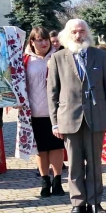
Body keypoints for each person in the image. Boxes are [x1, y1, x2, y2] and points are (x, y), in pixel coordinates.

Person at [47, 19, 106, 213]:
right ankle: (78, 203)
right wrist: (55, 122)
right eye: (74, 32)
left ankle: (95, 203)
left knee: (94, 164)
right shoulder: (58, 58)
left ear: (88, 33)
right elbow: (52, 92)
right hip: (69, 118)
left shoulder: (100, 55)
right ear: (67, 35)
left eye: (82, 31)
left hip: (95, 117)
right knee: (75, 164)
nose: (79, 35)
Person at [24, 27, 65, 197]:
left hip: (57, 111)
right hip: (35, 111)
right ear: (32, 42)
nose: (44, 42)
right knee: (41, 149)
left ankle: (57, 180)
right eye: (39, 40)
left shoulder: (60, 56)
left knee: (56, 147)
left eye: (46, 39)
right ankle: (44, 181)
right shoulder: (26, 60)